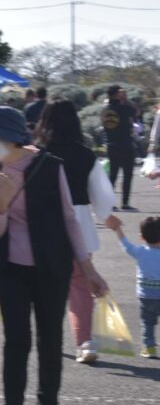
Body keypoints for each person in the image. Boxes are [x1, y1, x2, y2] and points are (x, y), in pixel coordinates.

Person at [0, 105, 109, 405]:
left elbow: (70, 219)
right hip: (9, 268)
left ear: (12, 138)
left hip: (52, 265)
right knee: (16, 342)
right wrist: (1, 205)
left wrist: (88, 268)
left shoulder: (49, 165)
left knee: (50, 339)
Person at [35, 100, 123, 364]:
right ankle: (85, 342)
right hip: (81, 225)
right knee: (80, 285)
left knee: (46, 287)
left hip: (43, 227)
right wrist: (108, 218)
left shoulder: (36, 153)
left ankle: (48, 338)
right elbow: (102, 199)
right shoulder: (86, 155)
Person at [108, 216, 160, 359]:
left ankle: (149, 347)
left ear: (142, 237)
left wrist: (118, 229)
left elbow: (126, 245)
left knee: (147, 323)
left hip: (146, 297)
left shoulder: (140, 251)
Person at [102, 86, 139, 211]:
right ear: (118, 94)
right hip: (125, 144)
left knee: (113, 174)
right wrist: (126, 99)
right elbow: (136, 112)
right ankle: (125, 203)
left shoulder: (105, 109)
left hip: (111, 145)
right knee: (127, 174)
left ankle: (108, 203)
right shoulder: (123, 108)